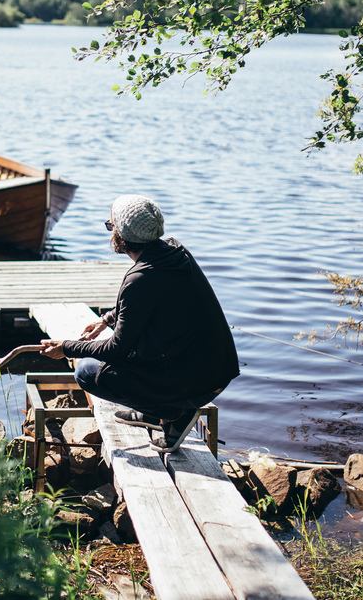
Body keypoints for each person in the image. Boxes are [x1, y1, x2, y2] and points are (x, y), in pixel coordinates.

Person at [40, 194, 239, 453]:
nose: (109, 232)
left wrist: (67, 347)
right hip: (216, 371)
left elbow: (116, 349)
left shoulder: (140, 278)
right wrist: (105, 320)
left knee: (87, 371)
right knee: (129, 354)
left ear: (120, 236)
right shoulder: (174, 252)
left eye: (110, 226)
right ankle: (157, 412)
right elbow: (147, 305)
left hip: (196, 384)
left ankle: (172, 412)